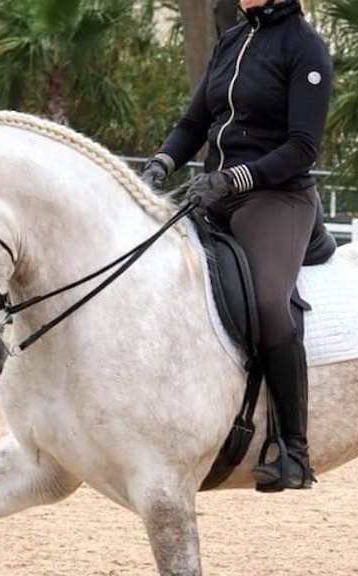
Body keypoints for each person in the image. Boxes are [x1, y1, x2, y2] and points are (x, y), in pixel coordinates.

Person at [141, 0, 333, 492]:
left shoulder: (305, 47)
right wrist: (162, 163)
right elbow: (194, 122)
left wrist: (236, 178)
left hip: (275, 197)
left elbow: (302, 147)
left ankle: (293, 448)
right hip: (214, 193)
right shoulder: (233, 40)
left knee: (270, 304)